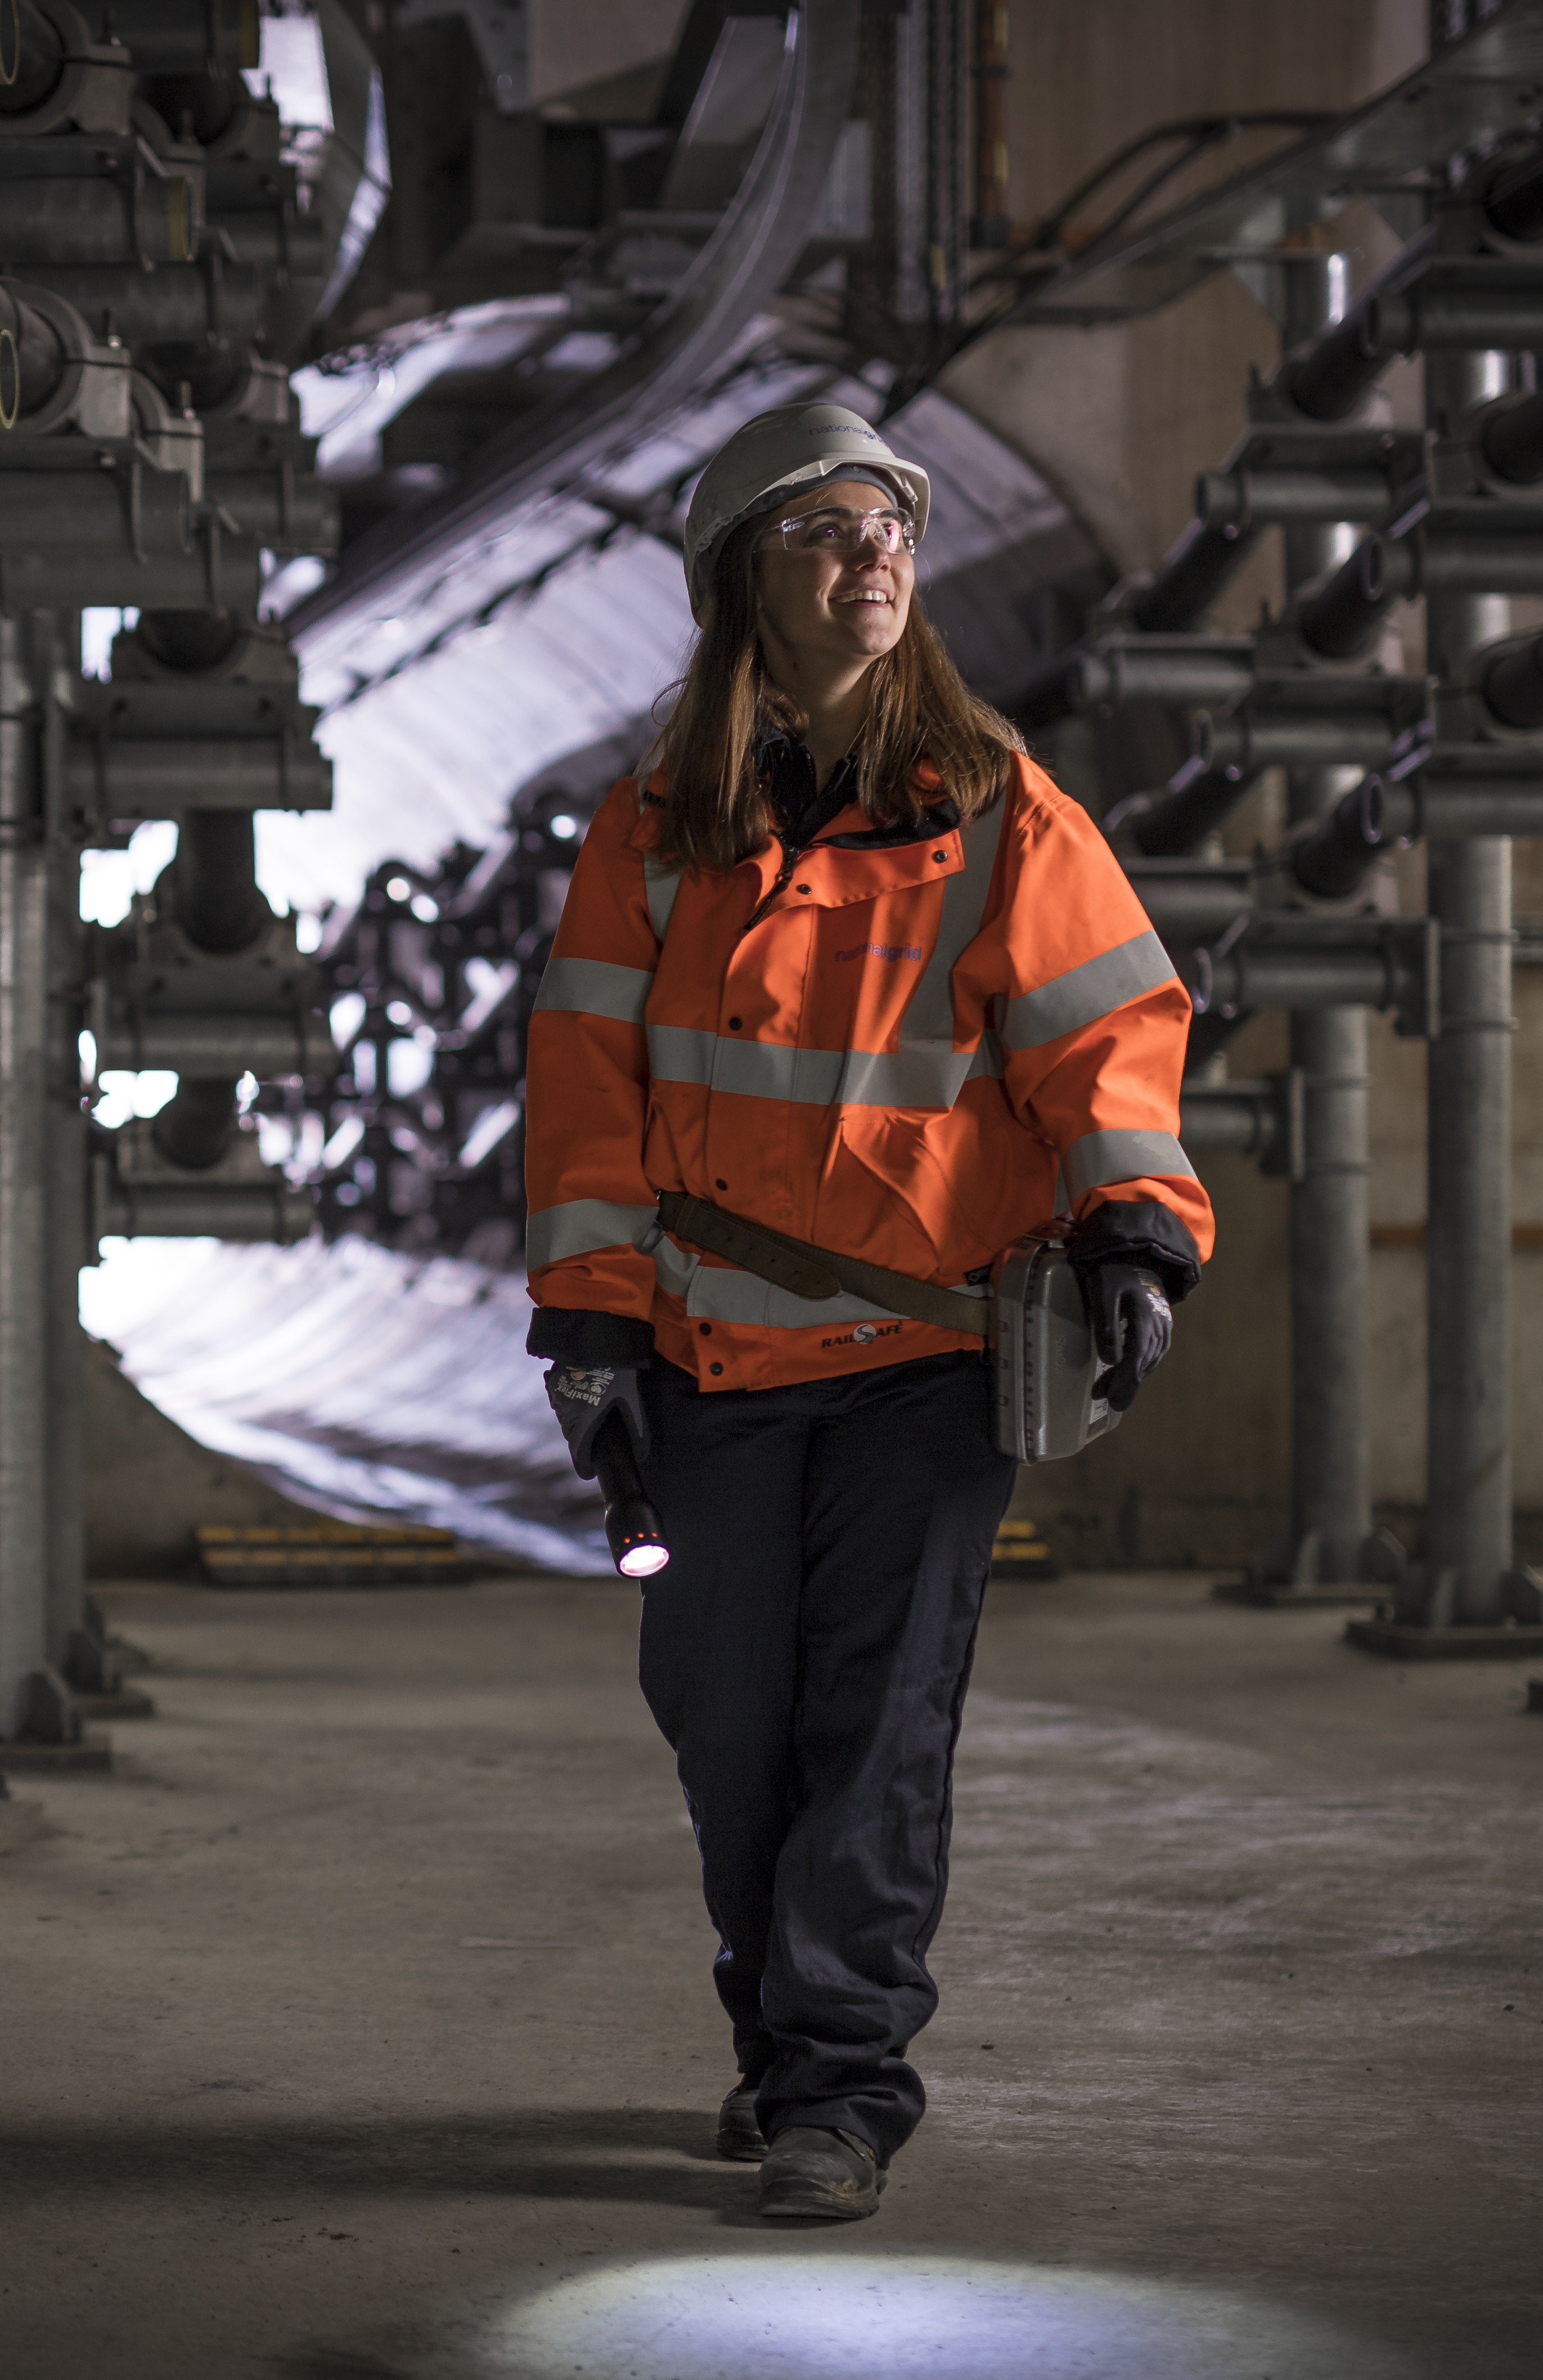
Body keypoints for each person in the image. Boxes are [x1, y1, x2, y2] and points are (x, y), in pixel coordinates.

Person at [522, 402, 1211, 2222]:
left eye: (888, 524)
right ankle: (779, 2041)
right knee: (724, 1717)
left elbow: (1105, 1039)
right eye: (824, 530)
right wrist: (587, 1329)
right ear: (745, 574)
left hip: (926, 1355)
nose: (872, 557)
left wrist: (1134, 1233)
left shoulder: (994, 806)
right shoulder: (655, 833)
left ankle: (839, 2085)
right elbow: (586, 1082)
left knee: (876, 1727)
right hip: (706, 1357)